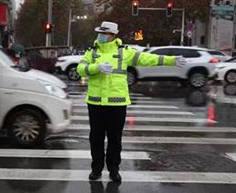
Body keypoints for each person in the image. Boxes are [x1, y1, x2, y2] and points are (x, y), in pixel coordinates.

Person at [77, 21, 186, 183]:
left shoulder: (124, 52)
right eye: (99, 33)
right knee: (96, 139)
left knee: (115, 140)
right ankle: (96, 169)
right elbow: (80, 69)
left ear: (113, 35)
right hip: (95, 103)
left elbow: (147, 58)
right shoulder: (92, 53)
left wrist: (170, 60)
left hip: (117, 104)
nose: (100, 36)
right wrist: (96, 68)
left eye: (103, 33)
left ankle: (114, 170)